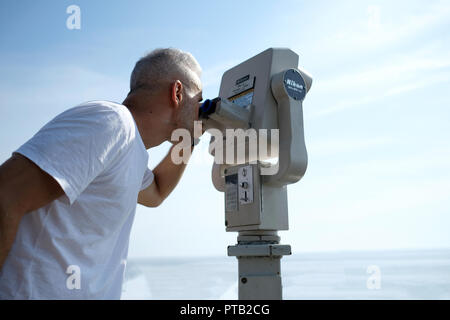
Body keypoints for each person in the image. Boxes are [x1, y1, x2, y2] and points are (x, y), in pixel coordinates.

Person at [0, 48, 203, 299]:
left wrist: (190, 139)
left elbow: (157, 192)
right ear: (177, 92)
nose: (199, 109)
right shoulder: (111, 123)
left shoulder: (131, 148)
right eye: (199, 99)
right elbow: (5, 196)